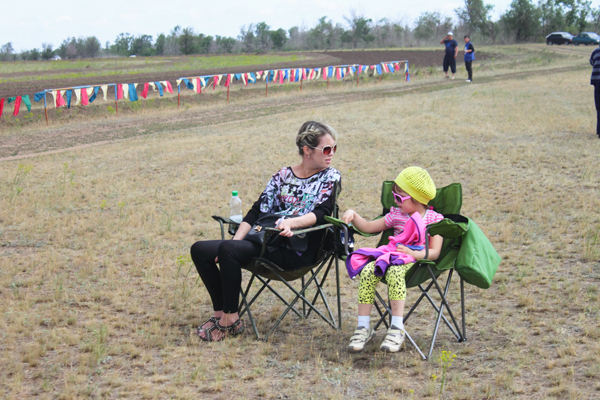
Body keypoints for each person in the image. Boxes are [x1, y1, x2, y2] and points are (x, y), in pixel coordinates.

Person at [190, 121, 342, 341]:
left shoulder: (330, 177)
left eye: (334, 148)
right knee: (200, 250)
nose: (332, 154)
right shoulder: (282, 175)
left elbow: (322, 213)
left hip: (297, 249)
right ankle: (221, 313)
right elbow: (255, 212)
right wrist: (236, 241)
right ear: (307, 151)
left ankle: (229, 321)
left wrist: (292, 223)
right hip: (264, 240)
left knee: (228, 249)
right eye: (327, 149)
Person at [342, 167, 444, 353]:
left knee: (396, 272)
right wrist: (354, 215)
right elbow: (368, 227)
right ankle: (363, 327)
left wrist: (415, 254)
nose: (396, 203)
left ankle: (397, 329)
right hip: (390, 257)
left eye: (400, 198)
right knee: (366, 271)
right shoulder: (396, 215)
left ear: (418, 198)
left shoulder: (434, 220)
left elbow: (435, 252)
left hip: (416, 264)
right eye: (394, 197)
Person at [590, 44, 600, 138]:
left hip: (597, 81)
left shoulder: (596, 51)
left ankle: (599, 130)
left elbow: (591, 62)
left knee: (599, 106)